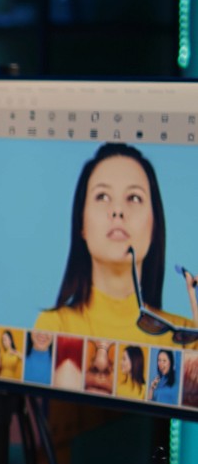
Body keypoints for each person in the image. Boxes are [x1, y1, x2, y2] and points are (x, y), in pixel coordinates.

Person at [33, 143, 195, 346]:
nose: (118, 210)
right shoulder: (53, 328)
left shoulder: (187, 338)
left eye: (134, 198)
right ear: (81, 223)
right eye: (102, 196)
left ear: (155, 225)